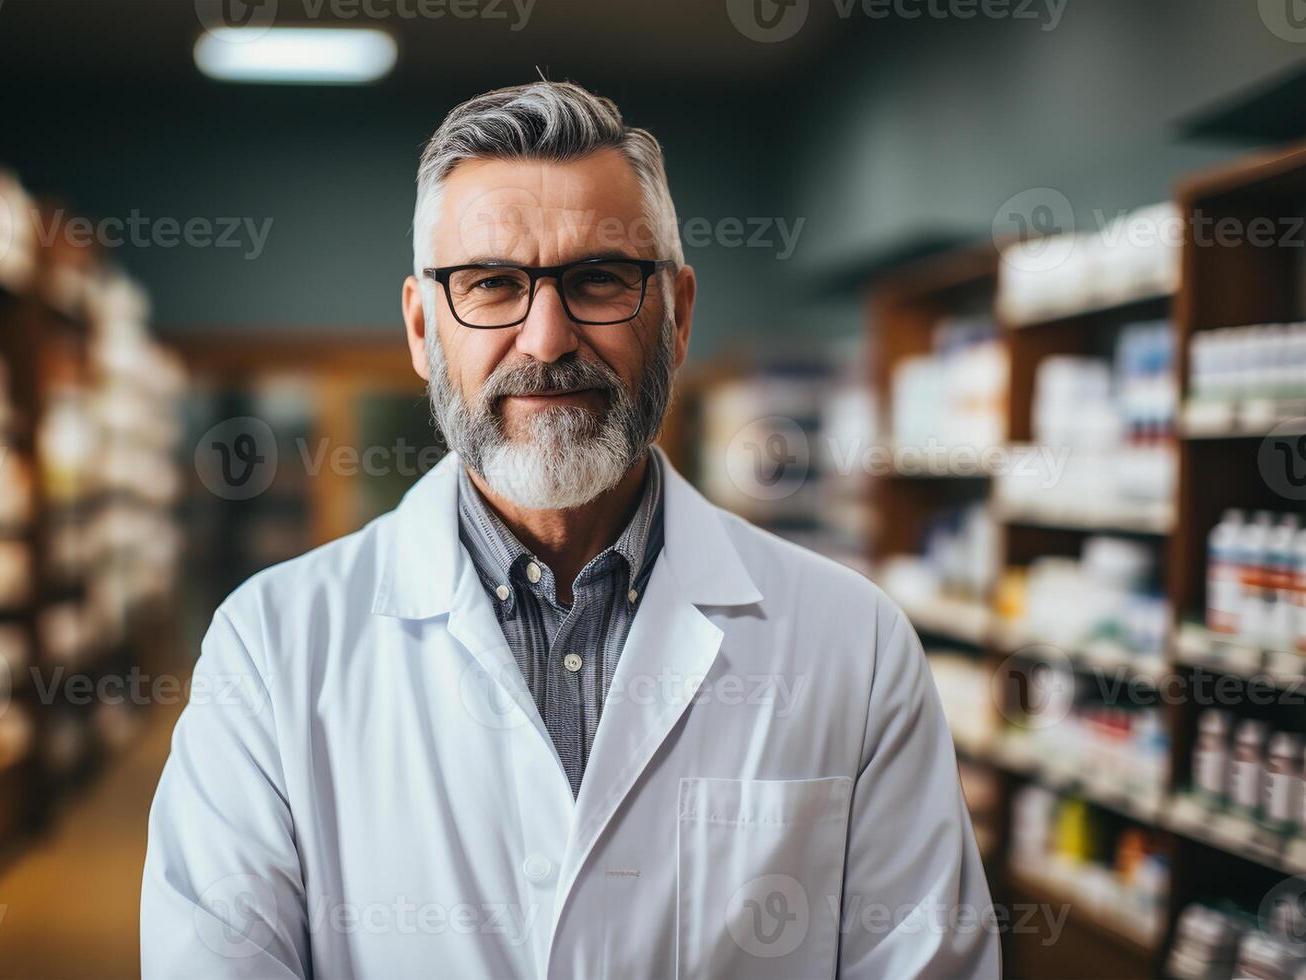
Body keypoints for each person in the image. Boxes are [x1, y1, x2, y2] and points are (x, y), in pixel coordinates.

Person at [141, 79, 999, 979]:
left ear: (678, 315)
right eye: (492, 284)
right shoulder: (271, 647)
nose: (547, 339)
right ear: (422, 328)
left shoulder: (852, 645)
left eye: (599, 279)